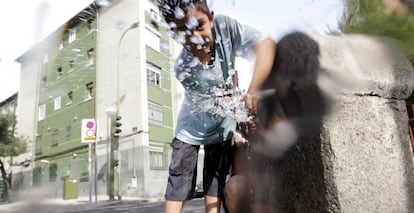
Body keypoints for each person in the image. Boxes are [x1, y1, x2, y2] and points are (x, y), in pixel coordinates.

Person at [160, 0, 276, 212]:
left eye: (199, 26)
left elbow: (265, 44)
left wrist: (253, 91)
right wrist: (237, 110)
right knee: (180, 178)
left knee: (215, 179)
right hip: (190, 130)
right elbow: (212, 102)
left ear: (211, 18)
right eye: (183, 33)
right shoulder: (183, 68)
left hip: (220, 129)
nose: (195, 38)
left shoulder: (225, 28)